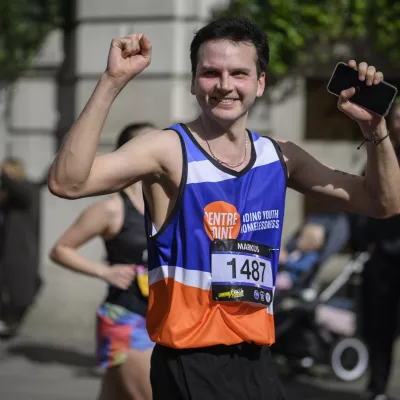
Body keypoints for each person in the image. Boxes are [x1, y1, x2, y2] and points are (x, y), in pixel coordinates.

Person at [47, 17, 400, 400]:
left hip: (257, 360)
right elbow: (68, 181)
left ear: (260, 82)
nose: (225, 85)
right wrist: (112, 81)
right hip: (190, 362)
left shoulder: (280, 157)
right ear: (193, 81)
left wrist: (374, 129)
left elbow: (384, 203)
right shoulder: (168, 150)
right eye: (210, 72)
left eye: (239, 73)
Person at [50, 123, 155, 400]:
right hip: (127, 318)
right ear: (130, 154)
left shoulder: (166, 204)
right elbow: (61, 249)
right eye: (151, 144)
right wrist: (104, 271)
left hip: (162, 318)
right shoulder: (110, 209)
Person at [354, 102, 400, 400]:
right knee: (379, 328)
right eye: (397, 117)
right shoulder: (380, 156)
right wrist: (364, 244)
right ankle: (378, 388)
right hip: (383, 260)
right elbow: (361, 200)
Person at [0, 158, 41, 338]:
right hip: (5, 249)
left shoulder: (27, 188)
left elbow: (22, 194)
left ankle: (12, 322)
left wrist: (4, 176)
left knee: (21, 291)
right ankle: (9, 322)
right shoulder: (7, 195)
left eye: (8, 171)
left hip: (20, 250)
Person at [276, 222, 326, 291]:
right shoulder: (298, 251)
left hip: (289, 279)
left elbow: (302, 267)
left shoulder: (312, 256)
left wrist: (285, 261)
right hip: (281, 273)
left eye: (302, 238)